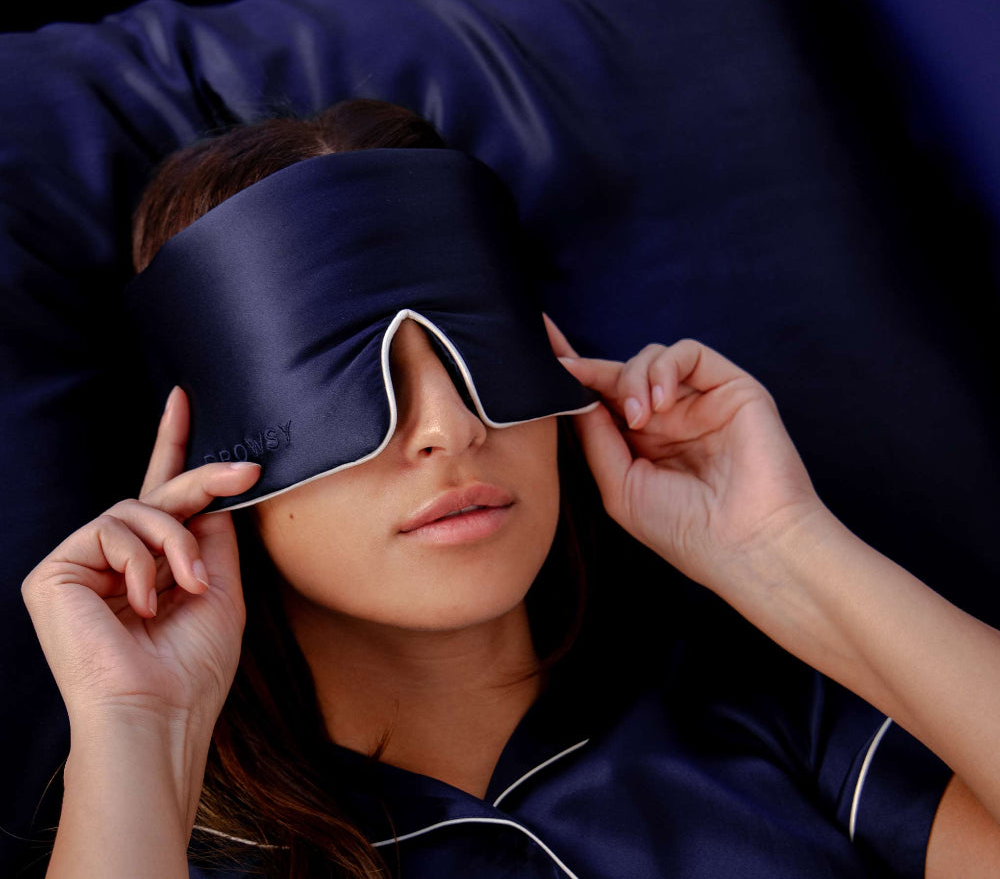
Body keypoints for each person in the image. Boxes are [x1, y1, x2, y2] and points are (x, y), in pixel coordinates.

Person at [20, 99, 1000, 879]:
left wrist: (783, 549)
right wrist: (139, 730)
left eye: (478, 354)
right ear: (207, 452)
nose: (452, 428)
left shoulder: (763, 720)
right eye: (349, 388)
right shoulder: (169, 851)